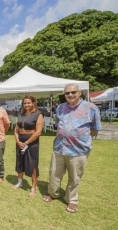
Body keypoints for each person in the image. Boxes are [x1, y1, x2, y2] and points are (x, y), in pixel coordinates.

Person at [42, 83, 102, 213]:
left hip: (78, 150)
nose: (70, 95)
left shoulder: (90, 108)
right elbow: (58, 124)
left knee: (75, 177)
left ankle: (72, 200)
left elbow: (94, 129)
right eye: (67, 93)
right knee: (54, 173)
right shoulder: (60, 107)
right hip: (59, 147)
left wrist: (79, 138)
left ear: (80, 93)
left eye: (73, 92)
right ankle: (52, 193)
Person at [12, 96, 44, 197]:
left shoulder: (38, 114)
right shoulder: (21, 114)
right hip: (20, 142)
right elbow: (16, 129)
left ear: (33, 103)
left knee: (33, 164)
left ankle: (33, 187)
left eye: (29, 103)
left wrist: (26, 143)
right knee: (20, 162)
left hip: (32, 143)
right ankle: (20, 182)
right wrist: (18, 141)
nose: (26, 105)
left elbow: (38, 132)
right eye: (25, 103)